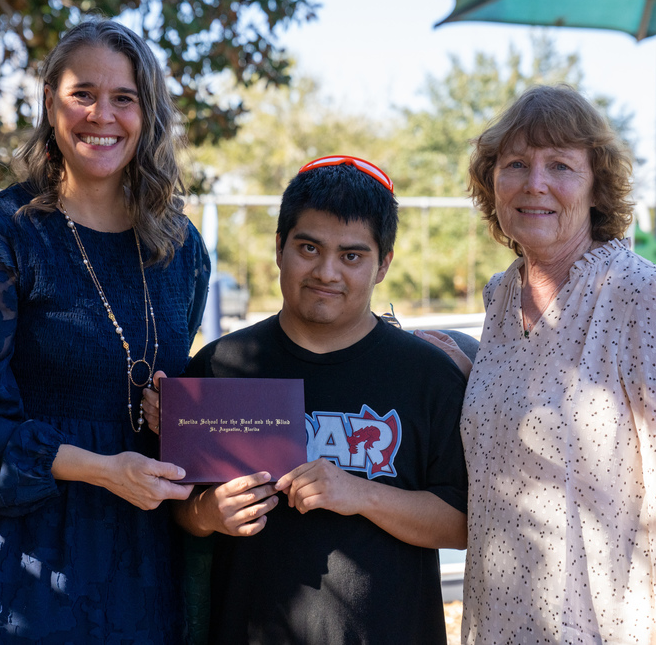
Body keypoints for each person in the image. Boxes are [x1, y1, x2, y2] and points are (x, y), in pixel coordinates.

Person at [0, 19, 209, 643]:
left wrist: (169, 411)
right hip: (4, 549)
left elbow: (165, 371)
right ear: (49, 105)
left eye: (125, 98)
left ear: (149, 114)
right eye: (82, 93)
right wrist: (99, 467)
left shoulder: (180, 246)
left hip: (132, 551)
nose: (102, 115)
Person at [460, 84, 656, 645]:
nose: (534, 183)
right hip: (498, 623)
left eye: (561, 165)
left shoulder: (645, 296)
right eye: (516, 163)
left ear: (597, 187)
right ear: (492, 182)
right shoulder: (500, 300)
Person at [142, 156, 469, 645]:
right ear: (279, 247)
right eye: (309, 247)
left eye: (352, 255)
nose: (326, 272)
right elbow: (177, 508)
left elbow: (465, 525)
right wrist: (210, 513)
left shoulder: (429, 376)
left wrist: (361, 494)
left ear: (384, 265)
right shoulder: (222, 365)